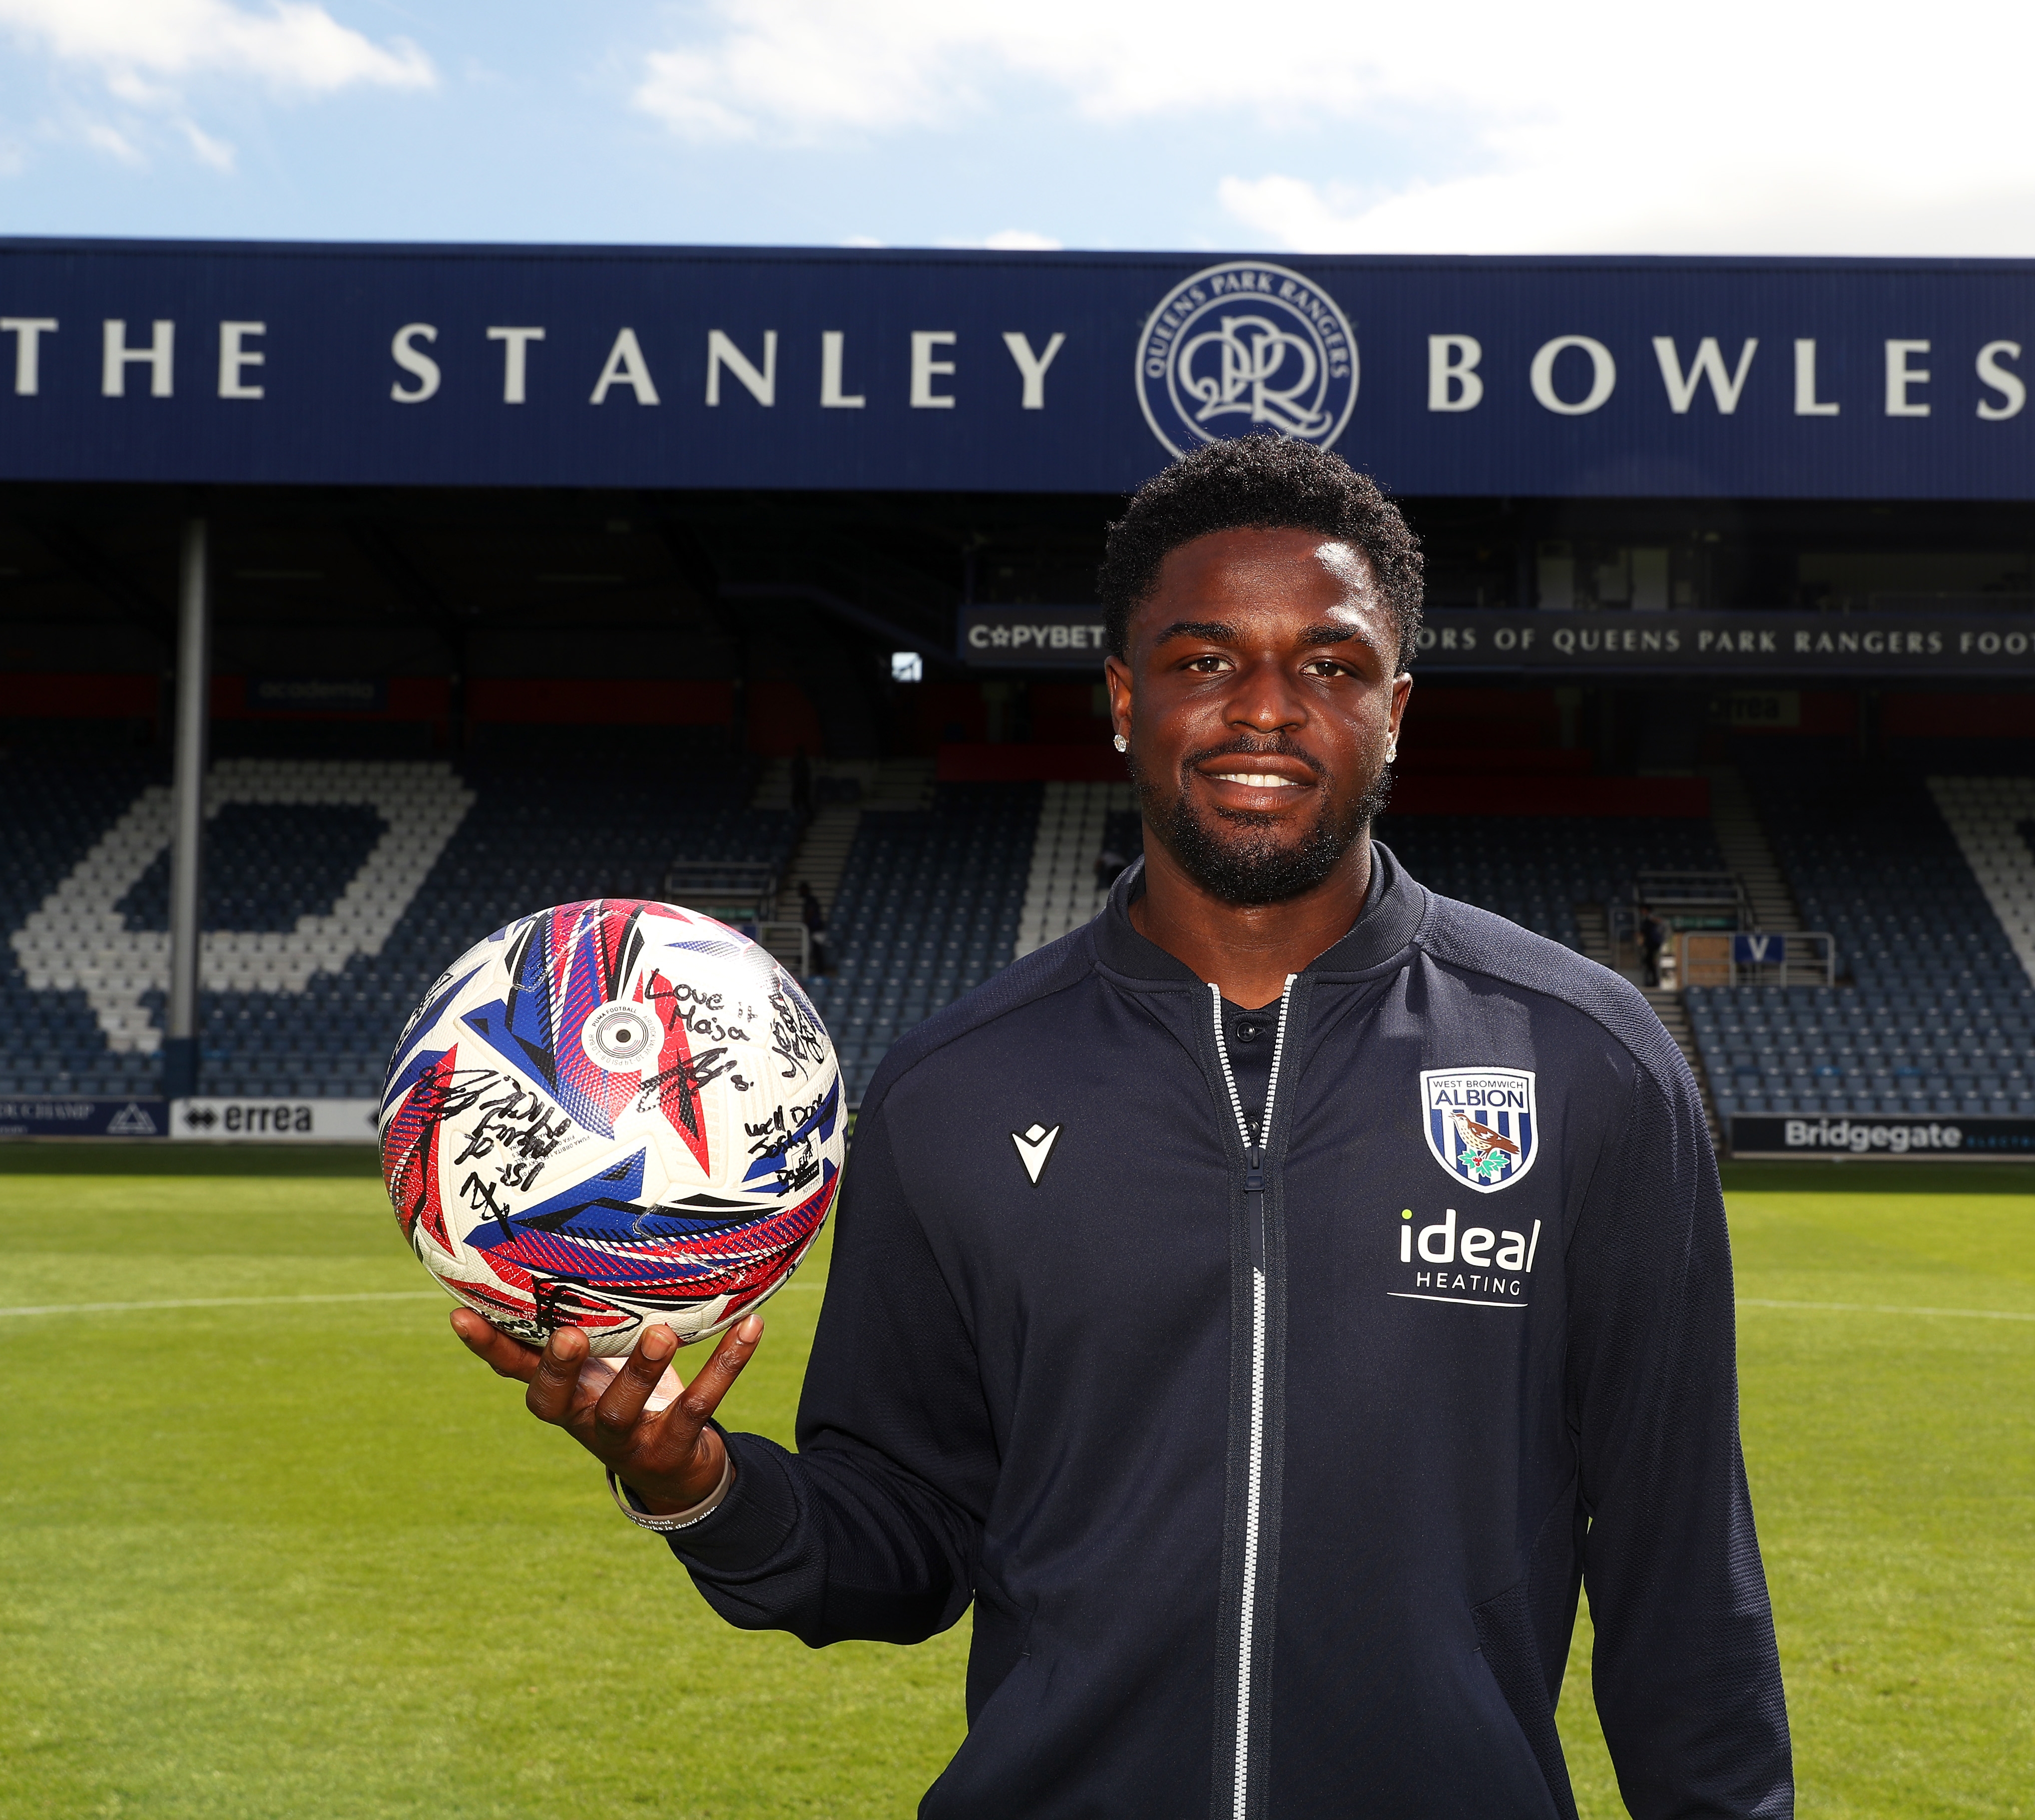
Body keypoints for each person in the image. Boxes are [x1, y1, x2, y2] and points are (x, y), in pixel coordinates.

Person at [453, 437, 1792, 1819]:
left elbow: (1678, 1569)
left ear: (1395, 707)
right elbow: (905, 1539)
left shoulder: (1586, 1056)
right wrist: (697, 1483)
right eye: (1205, 660)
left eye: (1328, 666)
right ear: (1122, 698)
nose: (1264, 710)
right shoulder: (952, 1087)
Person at [795, 880, 831, 976]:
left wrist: (805, 923)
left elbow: (811, 913)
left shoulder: (811, 901)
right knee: (810, 950)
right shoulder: (809, 900)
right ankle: (801, 966)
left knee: (817, 951)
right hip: (812, 930)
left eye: (801, 890)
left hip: (816, 930)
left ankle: (820, 971)